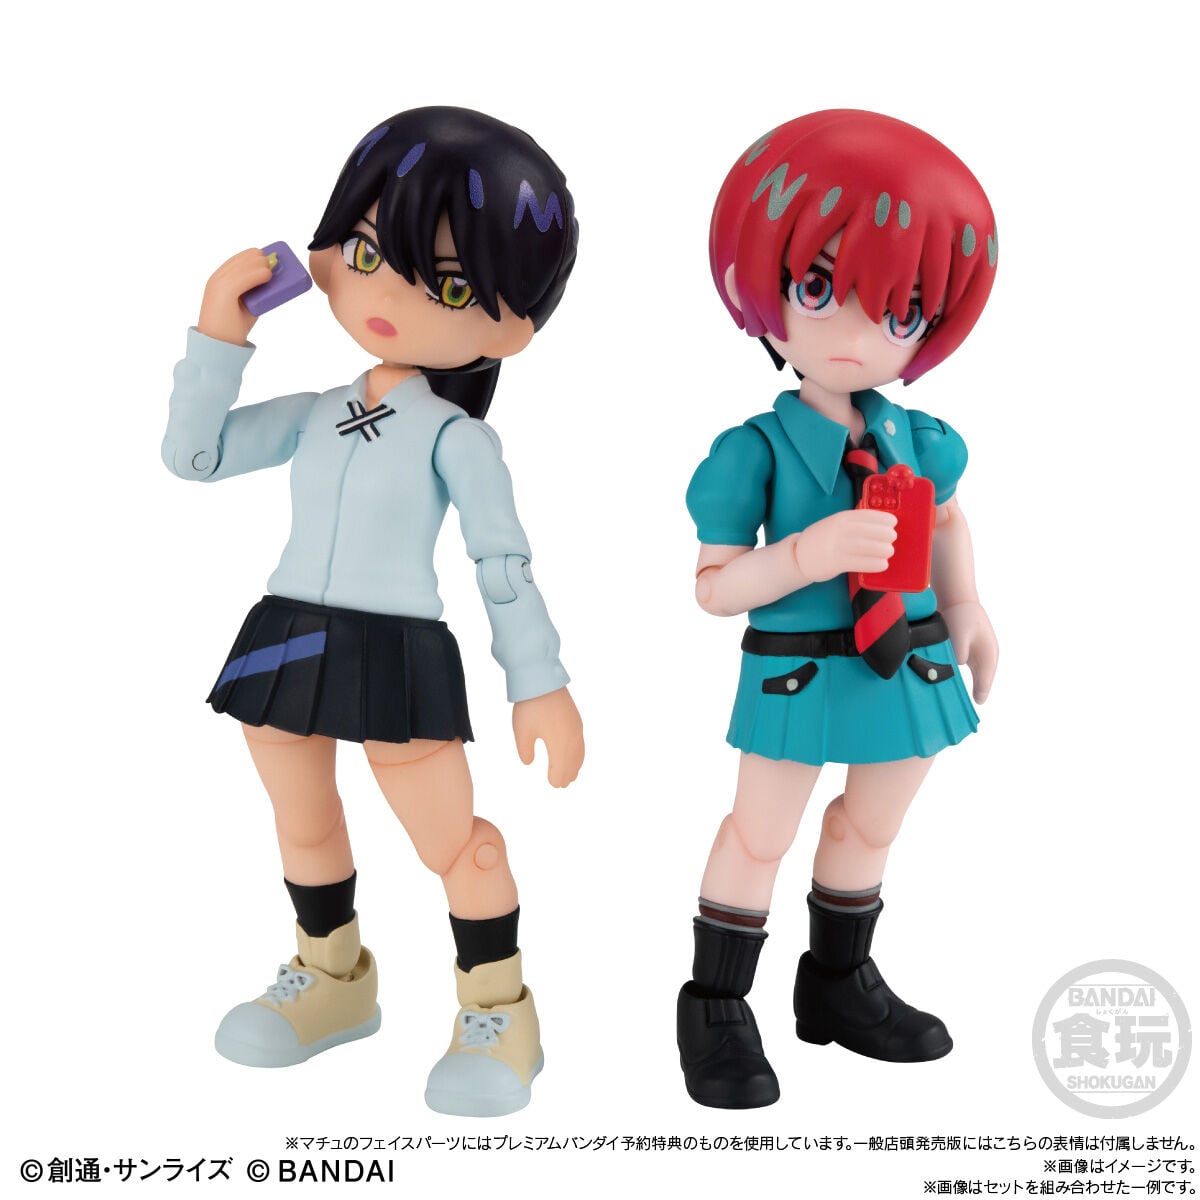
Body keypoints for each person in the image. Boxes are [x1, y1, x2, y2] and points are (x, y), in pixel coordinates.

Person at [162, 106, 583, 1117]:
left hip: (396, 647)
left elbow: (502, 564)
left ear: (512, 327)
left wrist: (540, 683)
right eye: (364, 253)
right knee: (303, 825)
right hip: (288, 633)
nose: (385, 293)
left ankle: (498, 1011)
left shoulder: (457, 440)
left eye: (446, 285)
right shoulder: (317, 411)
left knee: (457, 844)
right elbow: (196, 456)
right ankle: (332, 976)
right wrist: (221, 332)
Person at [677, 110, 999, 1109]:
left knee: (870, 827)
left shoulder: (922, 439)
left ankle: (838, 983)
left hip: (910, 661)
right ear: (760, 287)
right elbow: (712, 587)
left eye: (902, 306)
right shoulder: (755, 453)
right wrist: (806, 556)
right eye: (818, 289)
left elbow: (947, 520)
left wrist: (968, 604)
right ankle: (716, 1007)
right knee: (759, 833)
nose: (859, 335)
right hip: (800, 666)